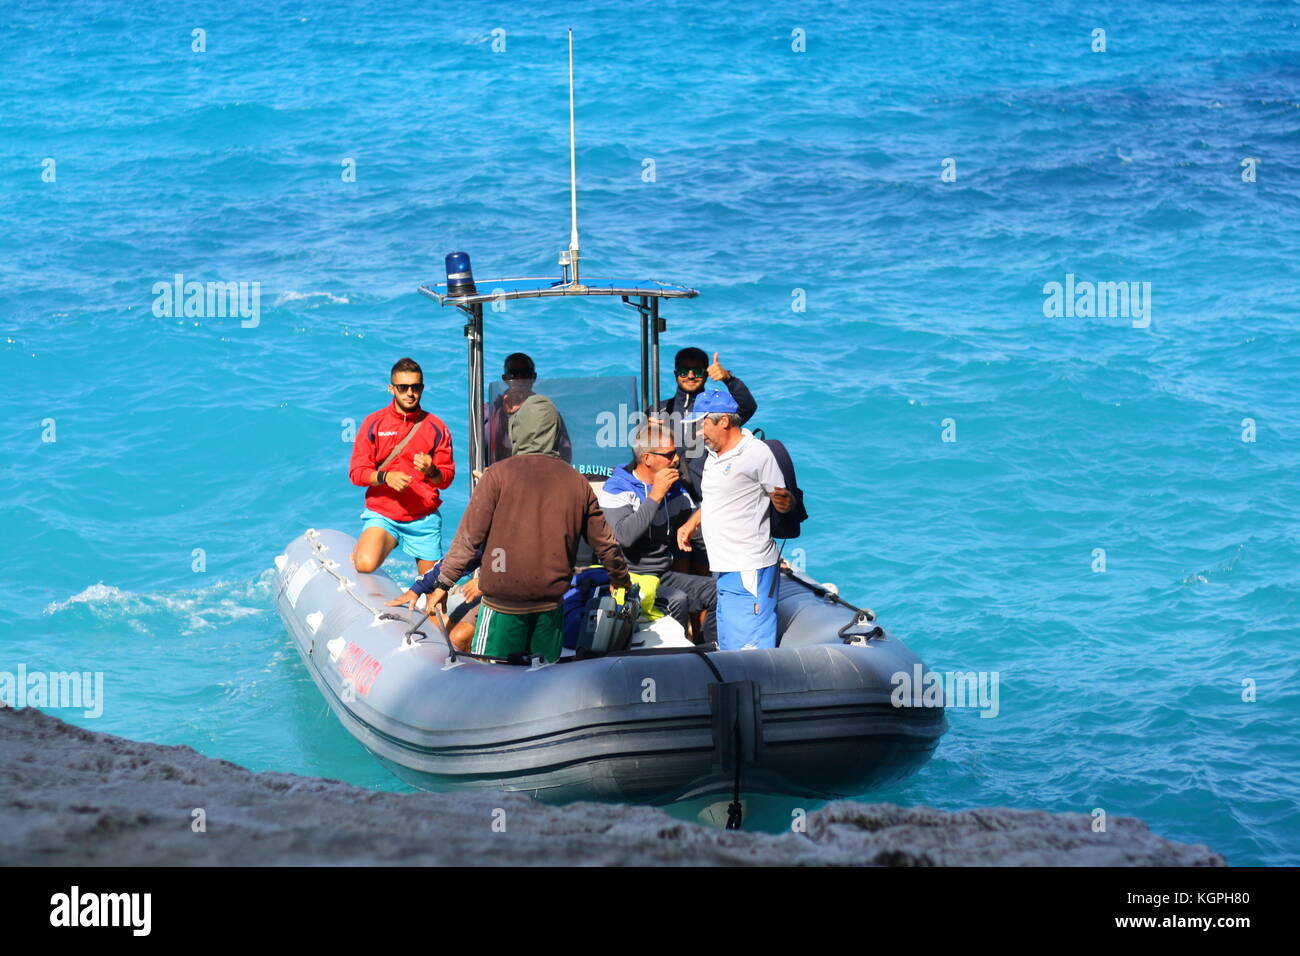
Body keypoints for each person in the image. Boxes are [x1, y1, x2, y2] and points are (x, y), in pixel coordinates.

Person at [388, 394, 631, 663]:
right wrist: (620, 579)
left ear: (518, 430)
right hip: (550, 609)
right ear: (556, 433)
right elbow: (606, 544)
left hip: (502, 609)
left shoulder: (496, 476)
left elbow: (469, 540)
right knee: (542, 682)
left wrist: (443, 583)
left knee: (492, 681)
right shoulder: (577, 482)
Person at [675, 390, 793, 650]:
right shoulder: (713, 456)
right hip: (723, 569)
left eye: (702, 424)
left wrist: (786, 502)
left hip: (748, 569)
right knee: (729, 650)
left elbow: (783, 501)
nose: (698, 433)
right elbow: (717, 499)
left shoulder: (756, 453)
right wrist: (692, 522)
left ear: (724, 421)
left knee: (750, 655)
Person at [597, 421, 717, 643]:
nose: (676, 459)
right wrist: (655, 496)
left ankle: (709, 652)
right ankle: (676, 657)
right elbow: (624, 536)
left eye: (676, 453)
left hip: (663, 575)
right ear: (647, 458)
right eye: (670, 454)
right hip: (628, 578)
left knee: (718, 591)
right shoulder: (617, 489)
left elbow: (700, 530)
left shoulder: (676, 488)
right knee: (677, 599)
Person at [348, 357, 455, 576]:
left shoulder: (437, 427)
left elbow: (446, 479)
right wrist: (385, 477)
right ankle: (367, 547)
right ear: (391, 388)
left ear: (422, 388)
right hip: (383, 514)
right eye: (403, 387)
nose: (409, 393)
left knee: (433, 594)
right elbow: (356, 473)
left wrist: (432, 470)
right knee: (364, 565)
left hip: (423, 519)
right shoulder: (374, 423)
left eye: (415, 387)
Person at [650, 347, 757, 501]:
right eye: (684, 371)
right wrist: (647, 432)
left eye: (697, 372)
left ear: (706, 374)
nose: (691, 376)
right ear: (676, 374)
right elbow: (641, 454)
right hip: (669, 496)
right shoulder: (658, 410)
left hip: (707, 497)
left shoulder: (718, 411)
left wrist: (729, 379)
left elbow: (748, 407)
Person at [484, 352, 571, 466]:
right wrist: (505, 413)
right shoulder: (490, 411)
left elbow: (564, 453)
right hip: (499, 476)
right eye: (514, 375)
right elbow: (484, 446)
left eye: (525, 374)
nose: (520, 380)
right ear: (505, 379)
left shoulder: (545, 413)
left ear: (533, 378)